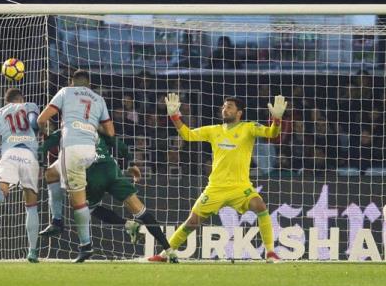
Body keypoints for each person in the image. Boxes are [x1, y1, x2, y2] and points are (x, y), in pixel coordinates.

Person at [149, 93, 287, 263]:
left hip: (240, 186)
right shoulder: (213, 130)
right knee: (192, 222)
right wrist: (175, 116)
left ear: (239, 113)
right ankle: (165, 254)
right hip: (216, 187)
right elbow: (188, 135)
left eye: (229, 107)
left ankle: (270, 252)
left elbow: (272, 133)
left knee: (259, 205)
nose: (225, 109)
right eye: (223, 106)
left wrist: (277, 119)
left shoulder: (249, 128)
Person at [39, 130, 174, 257]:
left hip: (93, 175)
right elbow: (119, 144)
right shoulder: (96, 129)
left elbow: (46, 145)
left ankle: (126, 225)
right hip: (112, 171)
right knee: (141, 212)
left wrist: (37, 158)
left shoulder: (66, 130)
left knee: (85, 207)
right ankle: (169, 250)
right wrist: (131, 164)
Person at [37, 69, 114, 263]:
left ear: (72, 82)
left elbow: (42, 119)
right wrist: (90, 124)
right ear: (88, 84)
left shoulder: (65, 92)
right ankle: (56, 221)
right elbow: (110, 132)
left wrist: (43, 129)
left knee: (78, 201)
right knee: (51, 174)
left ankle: (86, 245)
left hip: (72, 149)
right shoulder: (99, 99)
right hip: (90, 151)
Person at [0, 88, 41, 263]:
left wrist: (0, 151)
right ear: (22, 98)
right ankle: (32, 252)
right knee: (31, 205)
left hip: (8, 155)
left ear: (7, 101)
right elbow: (34, 123)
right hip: (29, 156)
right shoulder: (30, 106)